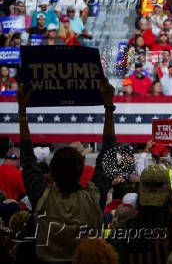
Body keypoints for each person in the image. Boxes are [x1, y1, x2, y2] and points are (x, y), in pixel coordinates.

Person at [16, 79, 116, 262]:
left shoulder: (42, 198)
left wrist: (22, 110)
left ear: (51, 174)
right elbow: (108, 152)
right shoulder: (93, 197)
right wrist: (108, 105)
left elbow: (28, 160)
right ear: (80, 171)